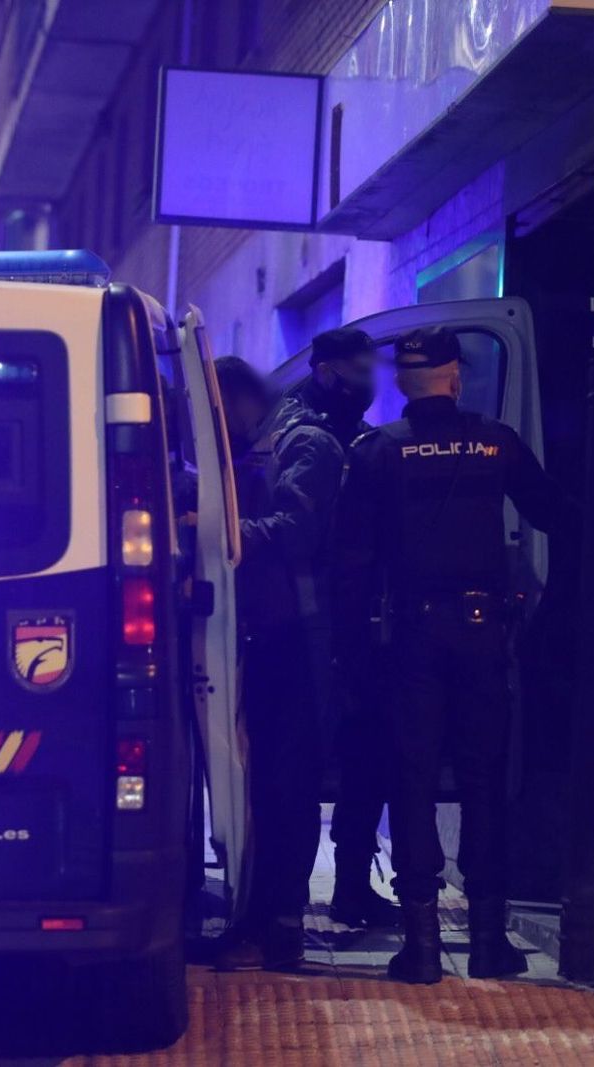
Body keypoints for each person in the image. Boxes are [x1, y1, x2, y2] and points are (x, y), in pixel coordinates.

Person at [332, 326, 575, 985]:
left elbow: (350, 565)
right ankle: (491, 943)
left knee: (411, 781)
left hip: (411, 639)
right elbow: (556, 512)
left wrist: (350, 654)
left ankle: (422, 948)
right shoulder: (496, 440)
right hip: (482, 634)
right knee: (483, 780)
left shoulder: (379, 450)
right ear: (455, 378)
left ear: (404, 383)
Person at [210, 331, 386, 971]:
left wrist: (217, 533)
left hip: (299, 641)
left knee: (290, 784)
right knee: (261, 788)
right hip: (263, 634)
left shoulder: (303, 442)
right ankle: (258, 915)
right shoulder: (267, 439)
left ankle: (282, 925)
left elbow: (296, 533)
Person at [262, 328, 401, 930]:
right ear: (325, 371)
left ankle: (347, 886)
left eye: (372, 369)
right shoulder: (310, 435)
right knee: (309, 757)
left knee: (363, 749)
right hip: (315, 618)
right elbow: (302, 529)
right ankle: (285, 906)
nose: (367, 382)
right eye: (356, 370)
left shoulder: (342, 431)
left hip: (350, 614)